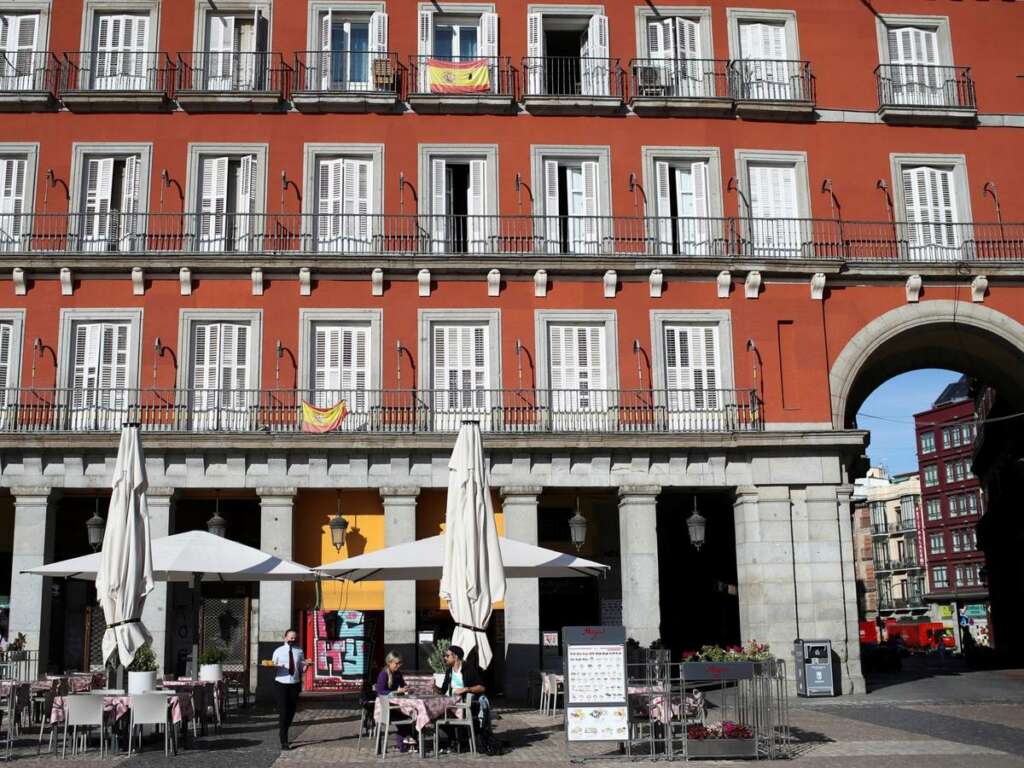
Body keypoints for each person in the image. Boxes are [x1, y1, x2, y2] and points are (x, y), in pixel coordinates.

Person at [435, 645, 490, 752]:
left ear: (455, 657)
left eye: (447, 655)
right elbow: (442, 691)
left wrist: (466, 689)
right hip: (453, 704)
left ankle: (457, 742)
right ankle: (456, 741)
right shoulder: (449, 671)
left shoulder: (468, 669)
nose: (445, 658)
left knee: (442, 715)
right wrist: (433, 687)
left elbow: (482, 687)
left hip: (467, 705)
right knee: (437, 715)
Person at [271, 628, 311, 750]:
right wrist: (274, 667)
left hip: (294, 683)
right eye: (291, 637)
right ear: (285, 637)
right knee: (283, 711)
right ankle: (284, 740)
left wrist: (307, 665)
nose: (293, 640)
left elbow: (301, 668)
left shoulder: (299, 651)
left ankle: (284, 729)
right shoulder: (278, 651)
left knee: (292, 711)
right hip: (281, 683)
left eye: (294, 638)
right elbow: (273, 665)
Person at [375, 651, 416, 752]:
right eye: (396, 663)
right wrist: (396, 691)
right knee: (405, 718)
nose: (398, 666)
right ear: (389, 662)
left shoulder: (397, 673)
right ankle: (404, 743)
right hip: (385, 709)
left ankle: (405, 743)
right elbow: (380, 691)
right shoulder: (384, 674)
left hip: (395, 706)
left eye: (400, 663)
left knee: (412, 716)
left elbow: (402, 685)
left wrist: (406, 688)